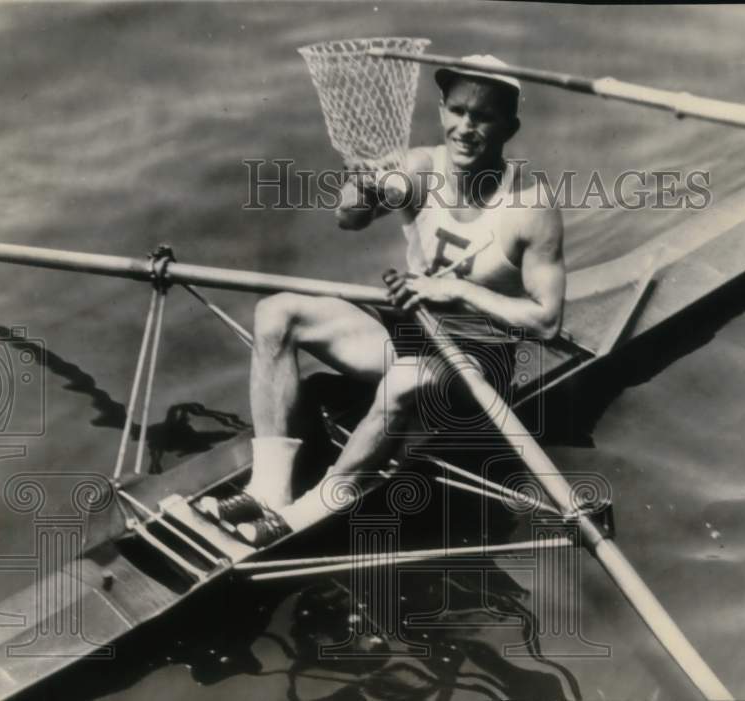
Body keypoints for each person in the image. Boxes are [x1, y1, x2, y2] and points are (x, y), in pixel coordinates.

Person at [203, 55, 565, 545]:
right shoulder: (420, 167)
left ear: (509, 128)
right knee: (276, 313)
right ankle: (268, 490)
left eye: (483, 117)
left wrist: (458, 289)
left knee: (402, 382)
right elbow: (349, 220)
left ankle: (313, 507)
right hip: (413, 333)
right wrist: (362, 187)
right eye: (458, 111)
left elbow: (546, 322)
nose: (465, 128)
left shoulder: (532, 207)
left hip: (480, 361)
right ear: (441, 111)